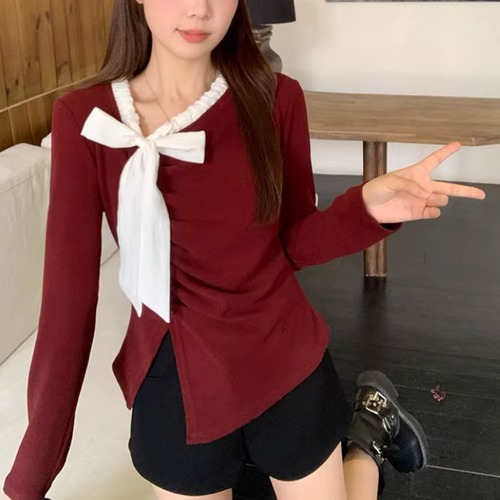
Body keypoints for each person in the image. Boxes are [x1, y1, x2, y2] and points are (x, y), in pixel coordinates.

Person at [3, 1, 486, 499]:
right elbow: (67, 303)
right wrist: (32, 474)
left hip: (283, 358)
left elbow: (293, 242)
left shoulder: (276, 98)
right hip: (174, 377)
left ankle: (367, 438)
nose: (200, 9)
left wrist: (364, 208)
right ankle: (367, 427)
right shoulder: (85, 118)